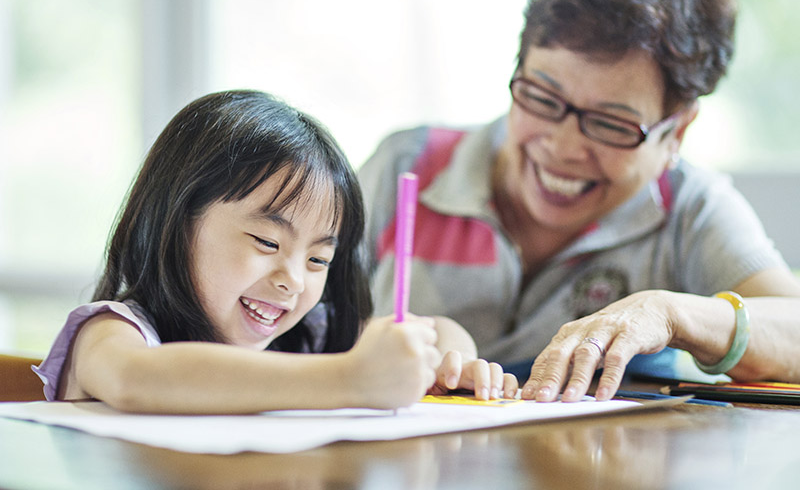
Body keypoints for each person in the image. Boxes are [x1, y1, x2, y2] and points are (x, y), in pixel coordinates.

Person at [358, 0, 800, 403]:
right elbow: (295, 326)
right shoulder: (407, 168)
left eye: (611, 124)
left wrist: (666, 313)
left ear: (677, 133)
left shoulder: (689, 209)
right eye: (543, 98)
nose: (563, 147)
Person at [34, 90, 517, 414]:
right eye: (268, 242)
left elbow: (437, 331)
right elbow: (135, 380)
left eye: (318, 260)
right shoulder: (112, 330)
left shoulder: (307, 334)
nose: (294, 280)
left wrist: (447, 362)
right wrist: (350, 378)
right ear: (176, 222)